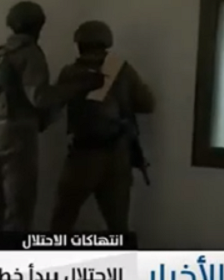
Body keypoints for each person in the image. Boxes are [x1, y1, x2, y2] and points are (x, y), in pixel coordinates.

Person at [0, 1, 104, 232]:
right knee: (19, 209)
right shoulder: (30, 53)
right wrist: (78, 86)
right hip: (19, 135)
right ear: (38, 26)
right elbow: (40, 97)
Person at [49, 21, 156, 233]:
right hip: (116, 155)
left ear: (79, 44)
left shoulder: (69, 72)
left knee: (61, 222)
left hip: (82, 155)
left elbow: (52, 105)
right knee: (118, 226)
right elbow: (147, 104)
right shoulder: (121, 69)